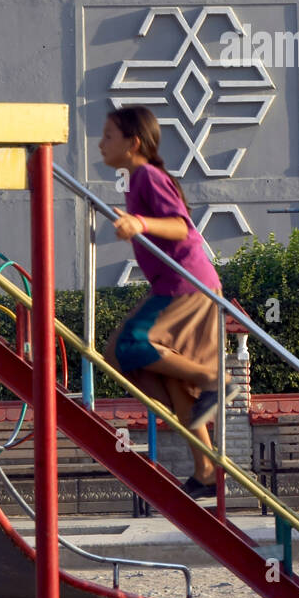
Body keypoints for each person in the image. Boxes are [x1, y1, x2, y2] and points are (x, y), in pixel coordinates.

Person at [99, 106, 237, 499]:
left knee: (126, 345)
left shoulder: (147, 175)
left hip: (185, 283)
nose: (100, 143)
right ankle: (206, 470)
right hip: (179, 284)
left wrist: (138, 223)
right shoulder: (136, 179)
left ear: (133, 143)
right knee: (169, 379)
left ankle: (214, 379)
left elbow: (179, 225)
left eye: (109, 135)